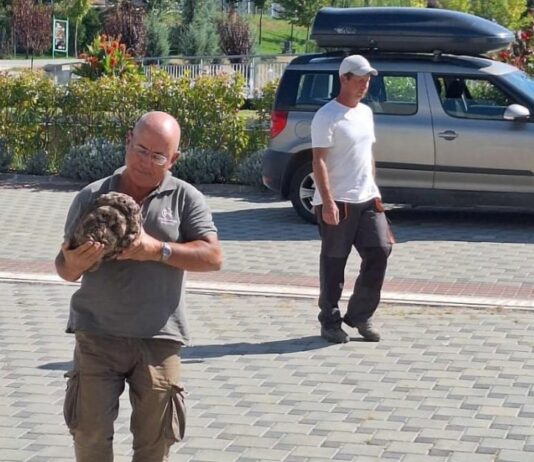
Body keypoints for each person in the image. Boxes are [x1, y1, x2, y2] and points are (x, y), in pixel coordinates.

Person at [55, 111, 222, 462]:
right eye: (141, 150)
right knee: (89, 437)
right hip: (97, 336)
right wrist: (76, 261)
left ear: (174, 159)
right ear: (128, 141)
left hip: (159, 338)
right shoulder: (93, 195)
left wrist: (156, 250)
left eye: (158, 156)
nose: (146, 161)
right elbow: (64, 269)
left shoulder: (185, 198)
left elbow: (212, 257)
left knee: (155, 444)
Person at [311, 55, 393, 344]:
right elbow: (318, 161)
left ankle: (360, 315)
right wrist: (328, 202)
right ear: (343, 79)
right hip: (339, 201)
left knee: (380, 251)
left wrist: (374, 188)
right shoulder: (326, 116)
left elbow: (367, 154)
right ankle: (330, 321)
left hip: (367, 198)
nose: (364, 86)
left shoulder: (365, 113)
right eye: (359, 80)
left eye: (367, 80)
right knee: (334, 262)